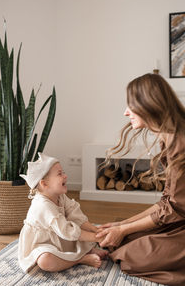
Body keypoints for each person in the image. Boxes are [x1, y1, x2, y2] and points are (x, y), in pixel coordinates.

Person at [96, 73, 185, 286]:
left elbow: (173, 209)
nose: (126, 112)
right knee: (120, 244)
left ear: (148, 104)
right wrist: (123, 225)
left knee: (129, 257)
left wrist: (123, 229)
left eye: (131, 106)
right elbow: (167, 202)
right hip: (178, 218)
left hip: (180, 220)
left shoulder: (180, 143)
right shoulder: (168, 139)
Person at [18, 153, 108, 273]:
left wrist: (95, 230)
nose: (65, 176)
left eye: (63, 172)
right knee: (45, 261)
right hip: (43, 243)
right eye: (60, 174)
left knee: (78, 232)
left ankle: (86, 251)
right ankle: (80, 259)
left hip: (61, 237)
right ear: (44, 184)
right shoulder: (42, 206)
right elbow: (67, 231)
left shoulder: (59, 196)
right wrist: (97, 238)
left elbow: (75, 215)